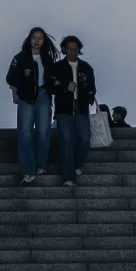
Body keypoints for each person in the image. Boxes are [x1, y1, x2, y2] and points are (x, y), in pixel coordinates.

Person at [6, 27, 59, 185]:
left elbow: (54, 78)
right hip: (27, 98)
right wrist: (21, 87)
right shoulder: (20, 58)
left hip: (43, 97)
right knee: (26, 134)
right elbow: (10, 77)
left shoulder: (48, 59)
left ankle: (40, 165)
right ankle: (27, 171)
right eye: (34, 37)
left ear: (44, 40)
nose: (37, 41)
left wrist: (52, 86)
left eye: (40, 38)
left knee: (43, 133)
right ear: (29, 39)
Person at [46, 35, 97, 186]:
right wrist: (65, 89)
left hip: (81, 108)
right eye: (69, 49)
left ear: (78, 49)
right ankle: (69, 177)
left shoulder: (86, 67)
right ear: (64, 49)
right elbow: (50, 87)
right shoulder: (57, 67)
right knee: (66, 143)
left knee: (85, 139)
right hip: (63, 109)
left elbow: (92, 87)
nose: (72, 52)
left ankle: (76, 165)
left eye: (75, 49)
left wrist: (89, 96)